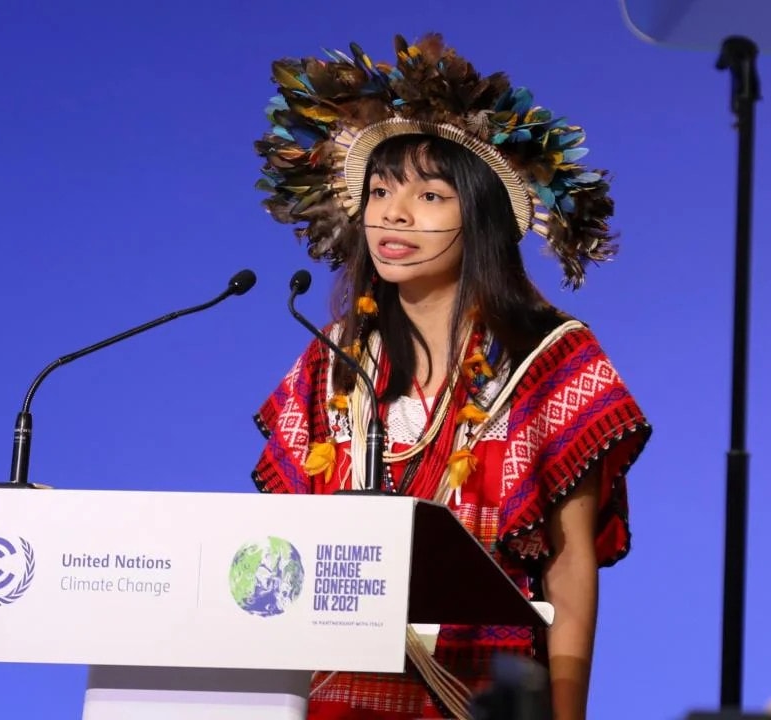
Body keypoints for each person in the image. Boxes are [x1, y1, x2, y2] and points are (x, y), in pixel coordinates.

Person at [250, 33, 652, 720]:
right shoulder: (331, 361)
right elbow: (278, 550)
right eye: (379, 191)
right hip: (333, 702)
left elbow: (569, 562)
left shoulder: (552, 358)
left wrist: (565, 711)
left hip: (483, 698)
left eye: (429, 195)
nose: (392, 215)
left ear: (483, 217)